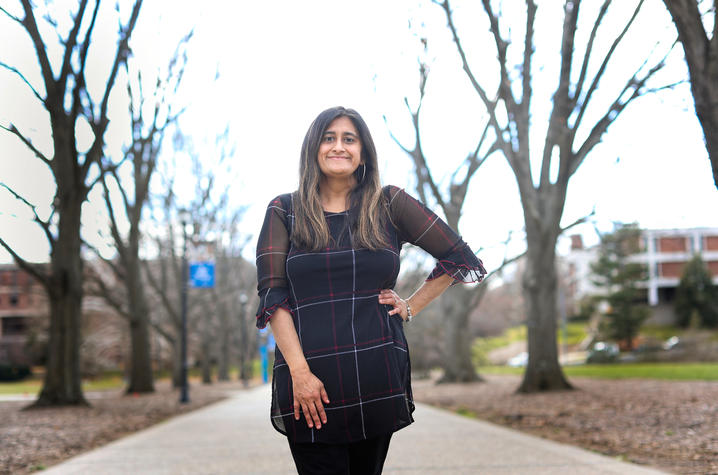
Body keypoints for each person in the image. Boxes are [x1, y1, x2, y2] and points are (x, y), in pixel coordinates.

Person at [255, 106, 486, 475]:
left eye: (350, 139)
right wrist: (299, 373)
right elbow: (273, 297)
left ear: (363, 151)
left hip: (374, 371)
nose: (339, 147)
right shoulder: (284, 210)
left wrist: (410, 305)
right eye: (329, 138)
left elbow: (459, 257)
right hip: (308, 381)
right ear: (314, 147)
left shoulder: (389, 204)